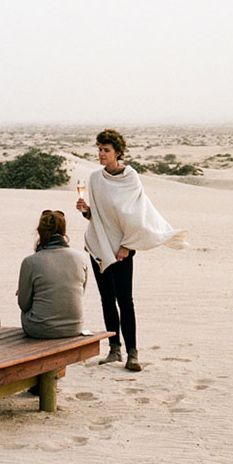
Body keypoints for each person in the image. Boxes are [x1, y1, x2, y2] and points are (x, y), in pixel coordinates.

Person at [76, 128, 188, 371]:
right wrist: (86, 210)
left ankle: (132, 353)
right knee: (107, 300)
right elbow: (98, 217)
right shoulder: (95, 179)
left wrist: (127, 245)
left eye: (106, 150)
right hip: (99, 245)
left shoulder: (130, 178)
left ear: (118, 152)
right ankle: (113, 349)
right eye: (99, 149)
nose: (101, 154)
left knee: (125, 300)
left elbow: (137, 215)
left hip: (122, 249)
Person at [16, 210, 89, 339]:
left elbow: (24, 304)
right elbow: (79, 291)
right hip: (74, 326)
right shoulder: (80, 258)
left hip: (41, 328)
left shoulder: (31, 262)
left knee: (27, 312)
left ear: (40, 231)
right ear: (64, 232)